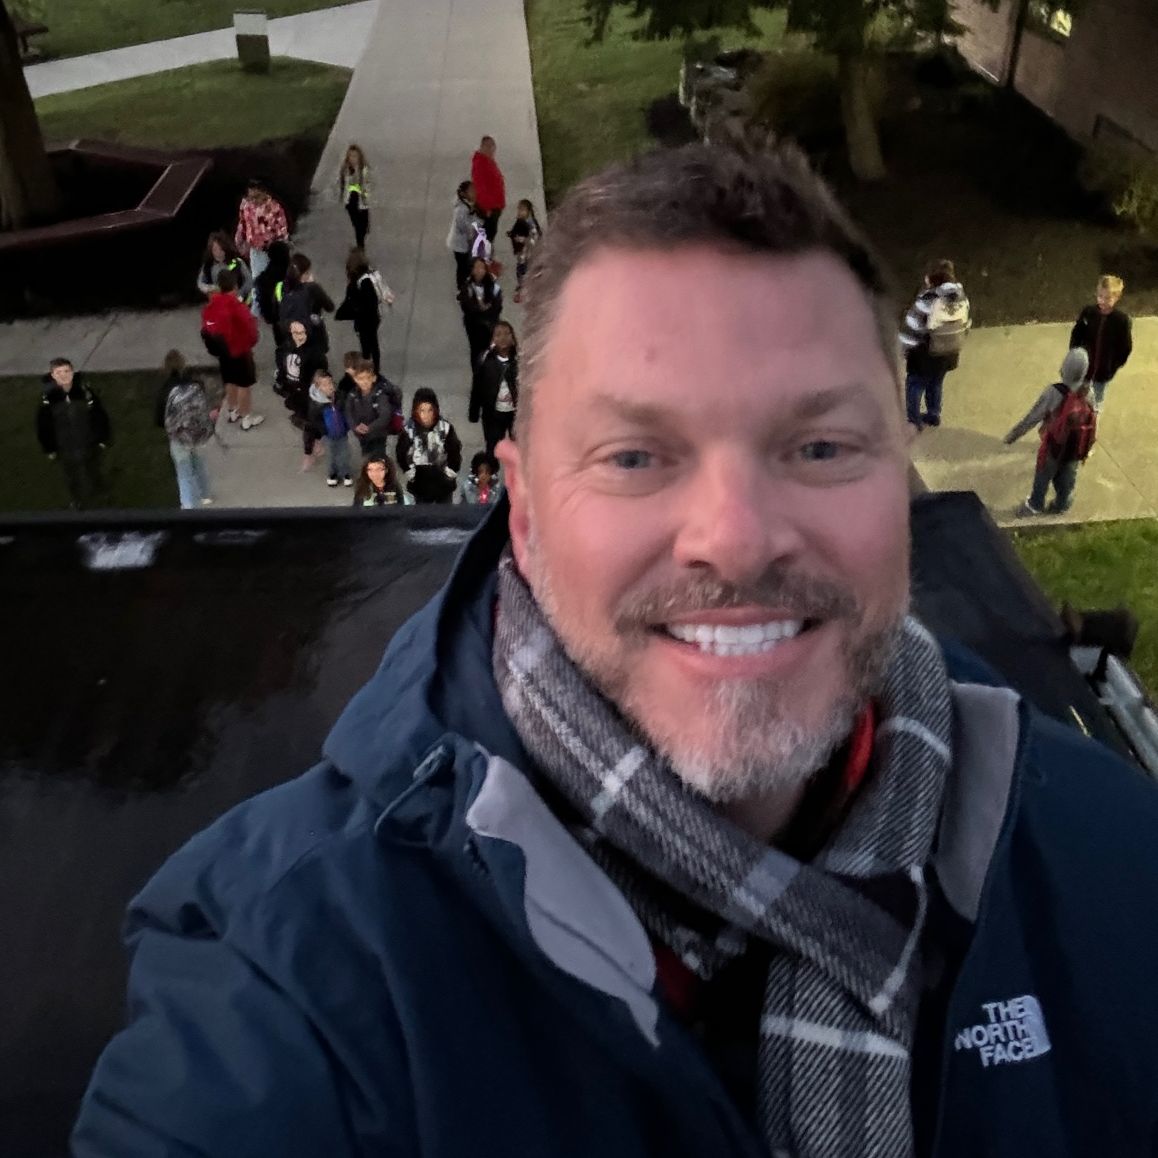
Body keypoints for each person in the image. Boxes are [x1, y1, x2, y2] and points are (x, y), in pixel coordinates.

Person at [74, 145, 1158, 1158]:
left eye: (820, 445)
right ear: (526, 512)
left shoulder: (1115, 868)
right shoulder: (293, 990)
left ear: (901, 481)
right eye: (636, 454)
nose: (734, 537)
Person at [1006, 348, 1097, 516]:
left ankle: (1035, 504)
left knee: (1043, 475)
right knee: (1067, 476)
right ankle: (1062, 503)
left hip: (1053, 444)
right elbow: (1092, 417)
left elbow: (1033, 417)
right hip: (1076, 447)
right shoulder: (1088, 392)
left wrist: (1013, 435)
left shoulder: (1054, 392)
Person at [898, 258, 970, 430]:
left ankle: (913, 420)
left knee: (915, 384)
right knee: (936, 382)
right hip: (948, 353)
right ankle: (933, 414)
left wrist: (902, 348)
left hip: (924, 354)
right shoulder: (961, 298)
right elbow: (966, 323)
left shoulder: (927, 300)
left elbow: (912, 327)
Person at [35, 357, 110, 508]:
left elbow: (99, 416)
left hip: (88, 442)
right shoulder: (49, 399)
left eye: (66, 371)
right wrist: (49, 448)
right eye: (58, 372)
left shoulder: (84, 392)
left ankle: (100, 499)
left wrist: (102, 439)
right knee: (71, 476)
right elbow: (43, 426)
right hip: (64, 446)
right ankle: (77, 502)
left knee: (93, 471)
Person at [200, 268, 263, 431]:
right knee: (244, 384)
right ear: (235, 286)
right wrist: (252, 341)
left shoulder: (213, 304)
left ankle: (233, 410)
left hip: (223, 352)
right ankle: (246, 416)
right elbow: (250, 331)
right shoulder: (237, 306)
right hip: (240, 351)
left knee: (229, 380)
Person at [155, 350, 218, 508]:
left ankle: (189, 505)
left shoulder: (165, 390)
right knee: (199, 463)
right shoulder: (195, 384)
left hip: (179, 436)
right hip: (199, 433)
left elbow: (159, 419)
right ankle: (206, 495)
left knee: (184, 472)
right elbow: (204, 406)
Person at [1069, 274, 1133, 411]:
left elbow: (1125, 347)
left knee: (1096, 400)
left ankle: (1092, 423)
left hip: (1103, 372)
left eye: (1108, 298)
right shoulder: (1088, 313)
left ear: (1117, 298)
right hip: (1084, 368)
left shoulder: (1121, 320)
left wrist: (1113, 366)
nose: (1102, 301)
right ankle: (1078, 421)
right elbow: (1076, 334)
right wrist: (1075, 355)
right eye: (1100, 296)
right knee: (1078, 396)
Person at [275, 320, 329, 470]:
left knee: (309, 425)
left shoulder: (314, 352)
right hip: (294, 394)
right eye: (295, 333)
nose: (299, 336)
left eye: (302, 332)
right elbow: (282, 368)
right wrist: (281, 384)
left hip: (310, 394)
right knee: (307, 422)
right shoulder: (286, 348)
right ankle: (316, 442)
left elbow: (322, 371)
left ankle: (308, 453)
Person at [233, 179, 289, 316]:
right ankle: (259, 308)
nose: (253, 200)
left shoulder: (274, 207)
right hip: (255, 250)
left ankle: (281, 305)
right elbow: (243, 224)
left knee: (276, 280)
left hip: (272, 251)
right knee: (257, 278)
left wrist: (281, 246)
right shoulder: (246, 206)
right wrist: (240, 239)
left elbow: (282, 230)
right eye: (250, 197)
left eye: (256, 197)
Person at [396, 386, 461, 504]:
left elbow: (454, 452)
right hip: (420, 484)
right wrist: (411, 475)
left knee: (445, 516)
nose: (426, 415)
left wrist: (449, 474)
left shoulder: (445, 428)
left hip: (443, 483)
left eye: (430, 410)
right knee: (423, 517)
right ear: (416, 411)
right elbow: (401, 454)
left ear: (435, 410)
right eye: (422, 410)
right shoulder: (408, 431)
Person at [335, 248, 394, 374]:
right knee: (373, 343)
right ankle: (374, 368)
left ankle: (370, 369)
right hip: (373, 317)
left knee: (368, 345)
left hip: (365, 320)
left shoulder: (361, 282)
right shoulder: (370, 276)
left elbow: (360, 302)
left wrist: (346, 312)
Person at [468, 320, 518, 455]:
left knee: (520, 448)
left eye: (507, 334)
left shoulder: (519, 359)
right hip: (493, 414)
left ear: (513, 339)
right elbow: (477, 387)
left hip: (515, 414)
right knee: (492, 447)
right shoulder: (485, 361)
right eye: (498, 335)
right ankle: (492, 472)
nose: (503, 338)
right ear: (492, 340)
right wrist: (474, 412)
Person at [344, 359, 403, 461]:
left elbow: (385, 416)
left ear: (374, 378)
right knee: (367, 455)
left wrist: (369, 428)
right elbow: (348, 412)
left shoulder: (380, 395)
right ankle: (370, 470)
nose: (364, 381)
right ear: (355, 379)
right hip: (362, 434)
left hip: (378, 435)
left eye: (368, 378)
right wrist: (355, 426)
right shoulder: (352, 394)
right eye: (360, 378)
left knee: (378, 458)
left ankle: (380, 472)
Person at [279, 253, 335, 354]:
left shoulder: (282, 289)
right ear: (303, 275)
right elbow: (330, 306)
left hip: (293, 339)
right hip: (314, 334)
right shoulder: (312, 288)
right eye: (308, 272)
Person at [307, 368, 354, 488]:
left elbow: (347, 411)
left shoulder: (340, 396)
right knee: (331, 455)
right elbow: (314, 421)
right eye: (326, 384)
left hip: (342, 433)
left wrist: (347, 426)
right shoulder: (316, 404)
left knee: (344, 453)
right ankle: (333, 474)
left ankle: (345, 473)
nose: (330, 386)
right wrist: (324, 431)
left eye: (331, 382)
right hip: (328, 435)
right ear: (318, 387)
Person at [458, 256, 502, 370]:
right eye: (476, 268)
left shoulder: (493, 286)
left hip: (490, 324)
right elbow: (466, 306)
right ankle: (477, 373)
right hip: (474, 325)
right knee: (476, 350)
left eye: (482, 268)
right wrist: (479, 309)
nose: (479, 271)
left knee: (491, 348)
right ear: (471, 270)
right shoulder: (467, 287)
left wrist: (487, 310)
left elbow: (497, 306)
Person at [196, 232, 253, 305]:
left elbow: (249, 280)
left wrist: (240, 294)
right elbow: (200, 283)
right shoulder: (208, 266)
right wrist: (211, 288)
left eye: (221, 249)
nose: (218, 253)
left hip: (236, 301)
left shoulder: (236, 262)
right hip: (217, 301)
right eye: (215, 250)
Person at [254, 239, 292, 344]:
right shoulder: (292, 275)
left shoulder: (263, 279)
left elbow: (262, 302)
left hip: (277, 321)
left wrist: (269, 317)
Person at [471, 135, 506, 243]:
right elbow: (480, 188)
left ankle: (486, 258)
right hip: (488, 209)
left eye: (493, 148)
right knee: (485, 237)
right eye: (490, 148)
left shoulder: (488, 161)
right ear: (483, 147)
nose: (492, 151)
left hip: (494, 207)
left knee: (489, 236)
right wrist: (487, 208)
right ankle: (481, 258)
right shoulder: (480, 164)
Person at [507, 198, 542, 304]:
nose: (519, 212)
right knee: (521, 271)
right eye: (519, 209)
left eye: (522, 209)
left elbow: (535, 240)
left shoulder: (530, 224)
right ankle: (523, 288)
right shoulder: (521, 221)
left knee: (524, 272)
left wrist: (522, 239)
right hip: (522, 254)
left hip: (528, 255)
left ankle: (526, 291)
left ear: (528, 211)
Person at [338, 144, 372, 250]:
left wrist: (365, 194)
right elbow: (342, 184)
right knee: (358, 226)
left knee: (365, 226)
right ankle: (360, 248)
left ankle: (360, 246)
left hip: (362, 201)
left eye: (355, 156)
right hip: (351, 201)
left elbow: (368, 184)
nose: (353, 159)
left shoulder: (364, 170)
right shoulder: (346, 170)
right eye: (351, 156)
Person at [447, 180, 479, 290]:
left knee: (465, 265)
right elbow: (463, 226)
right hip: (459, 245)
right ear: (464, 194)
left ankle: (465, 284)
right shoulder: (461, 209)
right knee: (462, 267)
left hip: (463, 243)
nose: (474, 193)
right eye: (471, 191)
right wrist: (475, 224)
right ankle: (461, 288)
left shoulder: (466, 205)